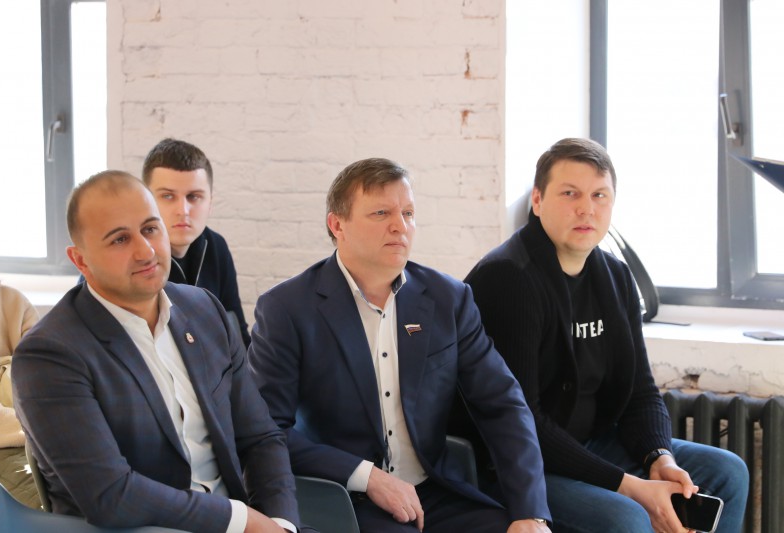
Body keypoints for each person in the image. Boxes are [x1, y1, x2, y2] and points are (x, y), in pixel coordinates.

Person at [248, 158, 551, 533]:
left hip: (436, 491)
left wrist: (530, 513)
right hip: (348, 498)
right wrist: (367, 477)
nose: (400, 226)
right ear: (337, 225)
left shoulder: (448, 298)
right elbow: (267, 431)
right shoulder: (287, 309)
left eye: (408, 213)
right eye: (381, 213)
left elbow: (503, 404)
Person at [463, 138, 749, 533]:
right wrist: (630, 486)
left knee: (728, 472)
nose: (587, 208)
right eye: (570, 194)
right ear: (537, 200)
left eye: (599, 195)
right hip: (516, 464)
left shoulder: (615, 276)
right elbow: (521, 422)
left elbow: (640, 391)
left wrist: (659, 458)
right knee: (627, 517)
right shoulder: (509, 278)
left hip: (591, 444)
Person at [12, 172, 302, 533]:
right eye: (120, 239)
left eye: (150, 229)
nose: (146, 251)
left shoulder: (205, 310)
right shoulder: (49, 354)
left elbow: (260, 437)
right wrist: (244, 522)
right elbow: (111, 496)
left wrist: (281, 523)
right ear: (80, 260)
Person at [142, 138, 251, 347]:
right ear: (146, 200)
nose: (183, 210)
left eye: (194, 197)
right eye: (167, 196)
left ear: (210, 203)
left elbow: (237, 334)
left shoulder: (216, 246)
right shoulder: (127, 254)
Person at [0, 200, 40, 506]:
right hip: (15, 447)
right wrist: (39, 429)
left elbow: (50, 381)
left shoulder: (13, 304)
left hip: (32, 443)